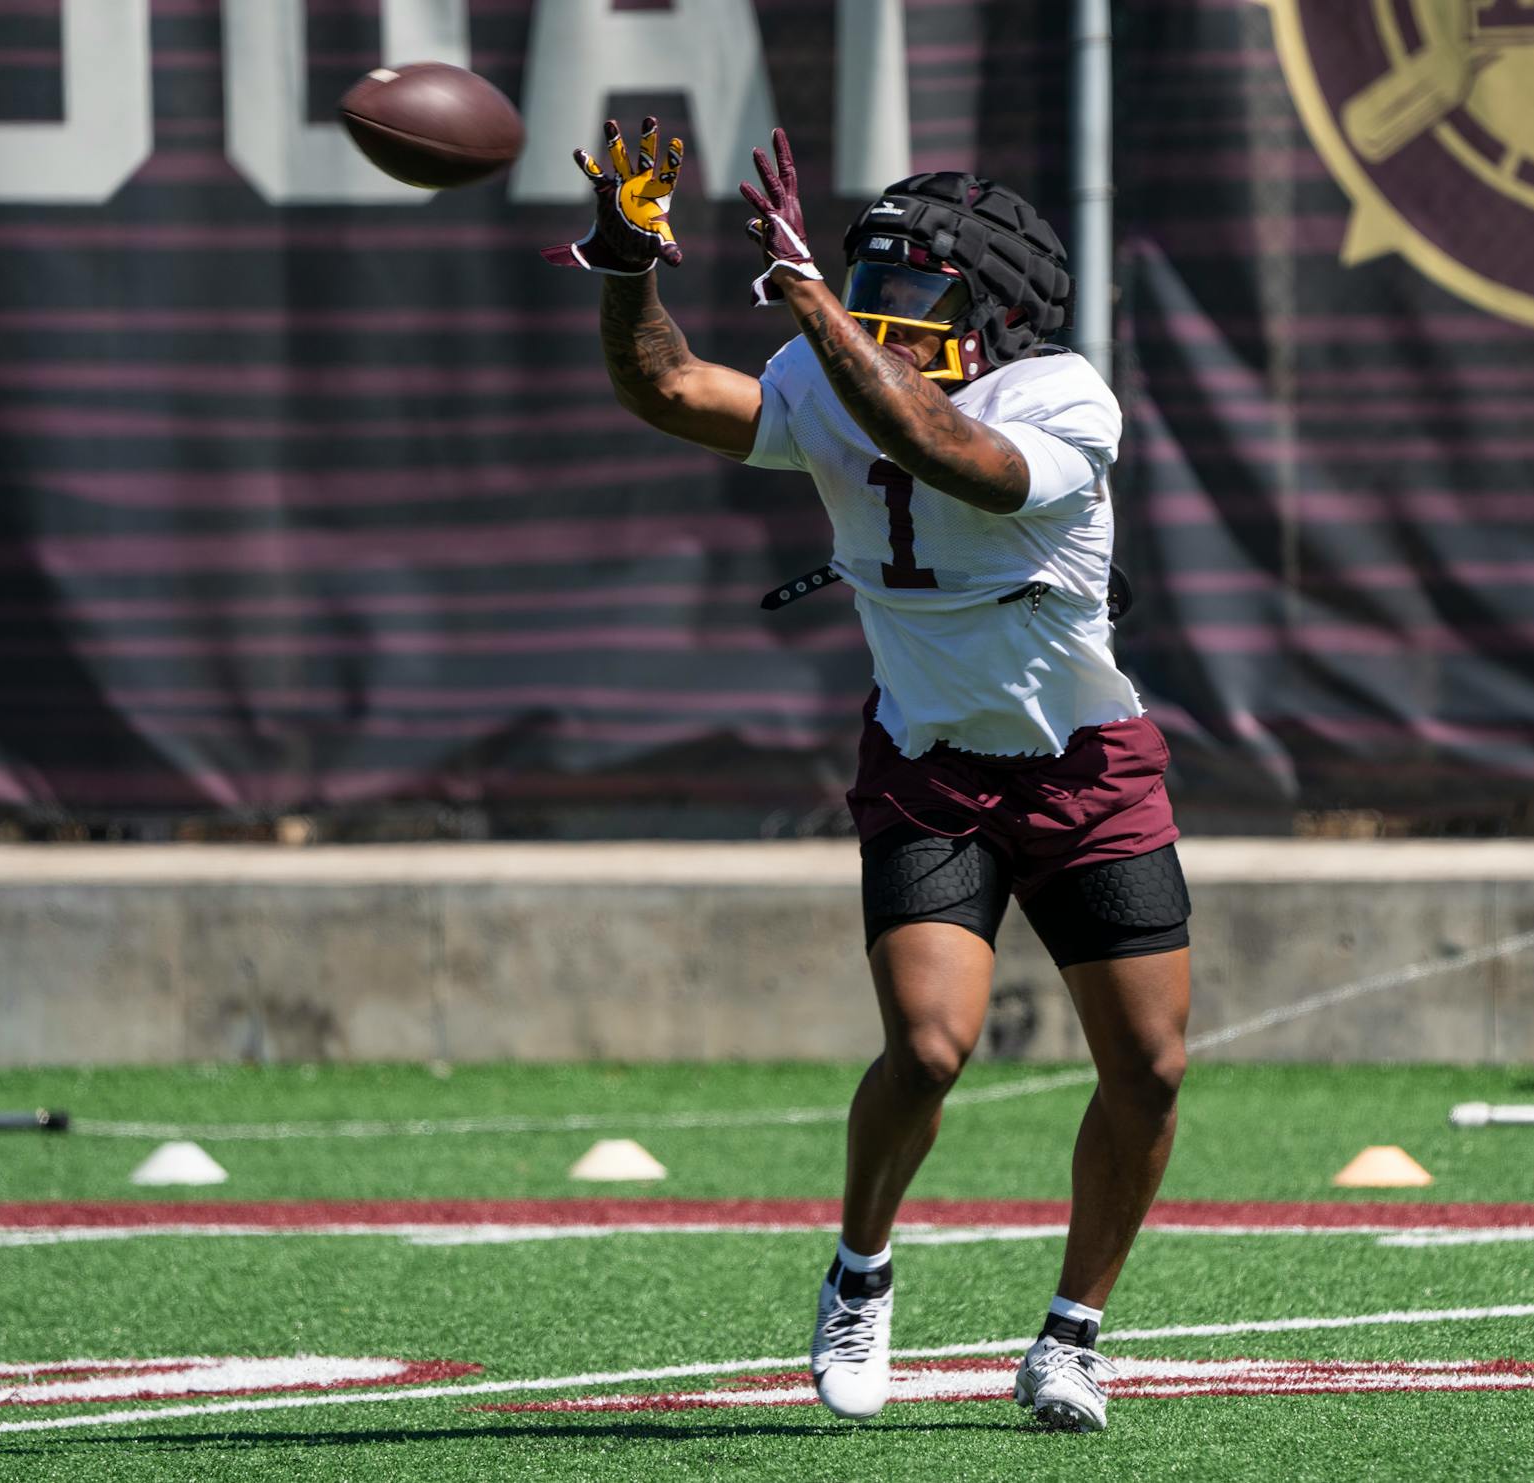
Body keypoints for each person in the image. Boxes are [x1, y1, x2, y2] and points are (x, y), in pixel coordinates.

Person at [545, 120, 1192, 1434]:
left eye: (918, 292)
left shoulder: (1062, 399)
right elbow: (668, 389)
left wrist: (821, 309)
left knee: (1152, 1069)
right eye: (873, 286)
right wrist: (627, 263)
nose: (888, 315)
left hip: (1085, 768)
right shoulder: (825, 365)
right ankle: (861, 1269)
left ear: (1000, 313)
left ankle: (1071, 1336)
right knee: (931, 1045)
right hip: (931, 762)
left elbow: (961, 460)